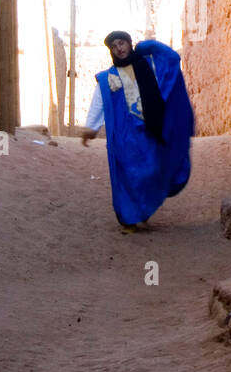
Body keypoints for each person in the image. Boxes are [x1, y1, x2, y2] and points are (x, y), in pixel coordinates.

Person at [82, 31, 195, 230]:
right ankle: (130, 217)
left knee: (150, 171)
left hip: (148, 132)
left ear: (129, 44)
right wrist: (91, 128)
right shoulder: (108, 78)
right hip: (124, 137)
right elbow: (99, 101)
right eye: (114, 46)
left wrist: (149, 45)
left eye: (122, 43)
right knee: (129, 175)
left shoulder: (147, 65)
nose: (119, 48)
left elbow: (172, 58)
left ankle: (142, 209)